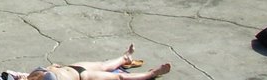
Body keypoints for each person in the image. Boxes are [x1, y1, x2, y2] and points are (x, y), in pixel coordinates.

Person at [13, 43, 170, 80]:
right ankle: (152, 73)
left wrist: (51, 67)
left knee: (104, 64)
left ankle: (125, 57)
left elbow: (48, 70)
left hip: (73, 67)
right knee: (119, 77)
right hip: (84, 77)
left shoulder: (31, 75)